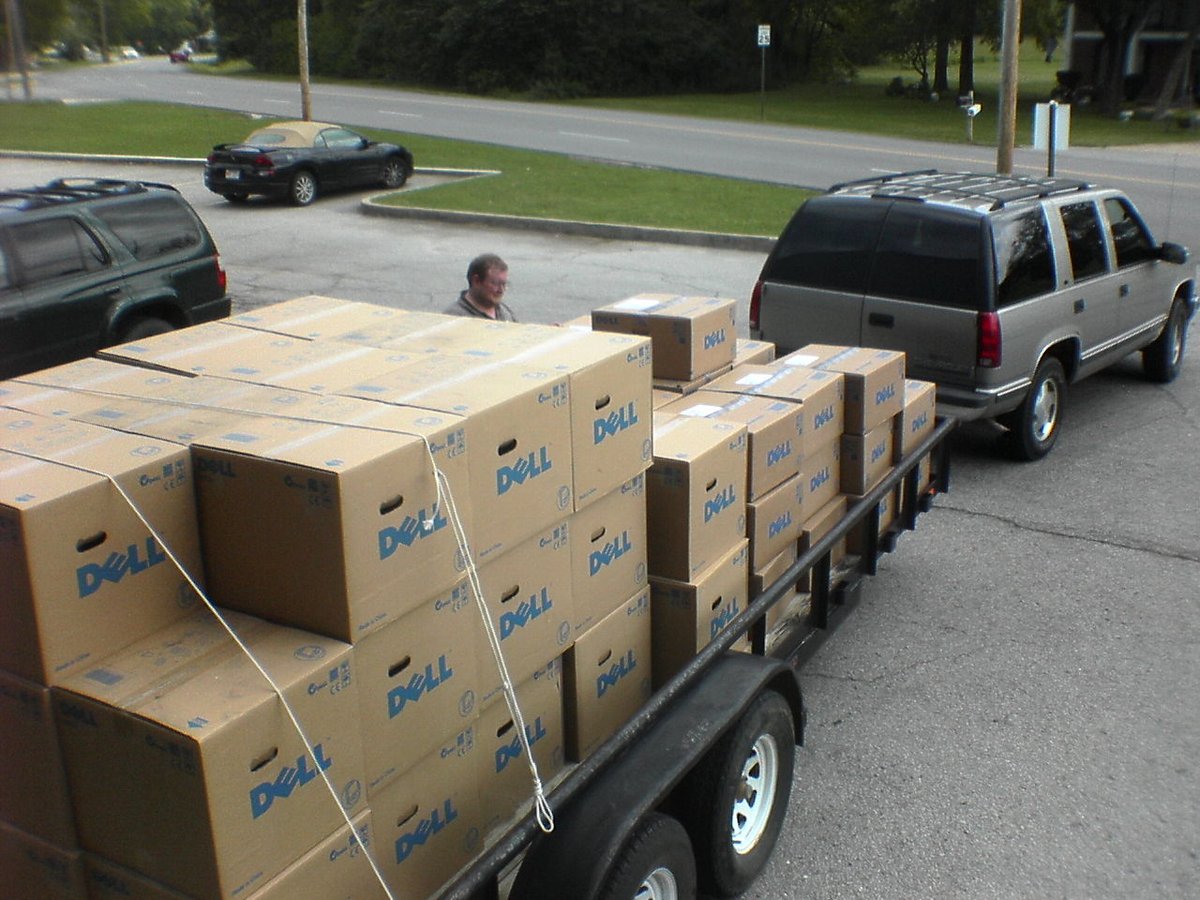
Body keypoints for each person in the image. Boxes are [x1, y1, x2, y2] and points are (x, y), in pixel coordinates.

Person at [444, 253, 517, 321]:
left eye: (504, 284)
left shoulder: (505, 313)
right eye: (496, 283)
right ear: (476, 281)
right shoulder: (453, 318)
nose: (501, 290)